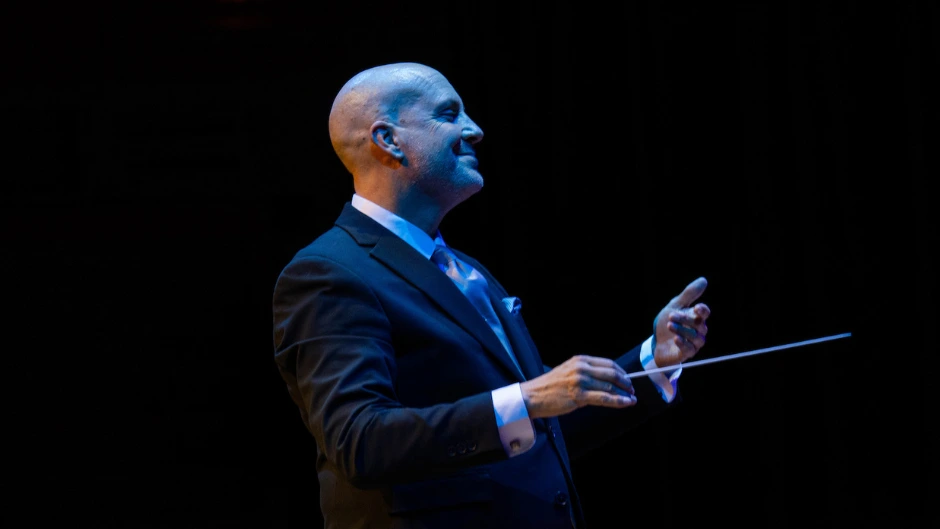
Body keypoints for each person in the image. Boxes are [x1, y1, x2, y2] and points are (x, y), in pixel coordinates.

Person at [271, 61, 711, 529]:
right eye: (448, 114)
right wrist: (527, 398)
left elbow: (540, 420)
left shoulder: (464, 268)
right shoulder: (327, 273)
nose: (475, 130)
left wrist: (653, 362)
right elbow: (361, 443)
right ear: (388, 140)